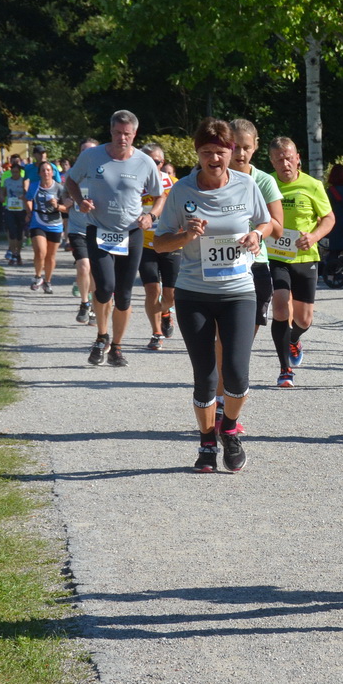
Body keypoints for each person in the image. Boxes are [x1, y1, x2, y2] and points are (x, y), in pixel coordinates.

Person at [150, 119, 272, 472]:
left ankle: (229, 429)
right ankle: (206, 441)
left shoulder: (247, 185)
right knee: (204, 374)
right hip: (194, 293)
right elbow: (160, 242)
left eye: (220, 152)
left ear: (231, 151)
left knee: (236, 373)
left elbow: (266, 223)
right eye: (206, 153)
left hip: (238, 292)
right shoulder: (183, 191)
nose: (214, 159)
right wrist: (185, 236)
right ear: (197, 153)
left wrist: (257, 236)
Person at [65, 112, 166, 367]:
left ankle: (117, 347)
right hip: (98, 230)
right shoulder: (91, 156)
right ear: (111, 132)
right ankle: (101, 336)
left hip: (131, 233)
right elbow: (71, 181)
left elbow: (160, 196)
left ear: (135, 134)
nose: (122, 138)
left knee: (123, 295)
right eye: (118, 133)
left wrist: (151, 216)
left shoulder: (145, 162)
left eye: (128, 134)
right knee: (105, 287)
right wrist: (80, 201)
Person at [265, 136, 334, 386]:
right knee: (281, 305)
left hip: (305, 257)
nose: (285, 163)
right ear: (272, 161)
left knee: (304, 319)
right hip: (275, 257)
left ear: (297, 158)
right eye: (279, 159)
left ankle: (293, 340)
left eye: (288, 157)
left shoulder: (313, 185)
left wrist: (314, 236)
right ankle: (285, 369)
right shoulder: (266, 184)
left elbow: (328, 218)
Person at [228, 118, 284, 334]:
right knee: (223, 335)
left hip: (255, 263)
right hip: (222, 264)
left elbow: (278, 228)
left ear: (256, 146)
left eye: (246, 147)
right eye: (235, 147)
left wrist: (258, 232)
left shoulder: (264, 181)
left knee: (242, 343)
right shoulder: (213, 178)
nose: (240, 153)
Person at [137, 142, 179, 350]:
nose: (151, 165)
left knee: (170, 295)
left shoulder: (174, 183)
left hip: (171, 244)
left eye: (155, 161)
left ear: (162, 163)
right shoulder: (134, 183)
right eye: (146, 161)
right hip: (145, 245)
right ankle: (156, 333)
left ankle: (165, 312)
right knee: (152, 290)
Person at [65, 137, 99, 323]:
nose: (87, 155)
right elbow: (63, 195)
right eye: (83, 151)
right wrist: (67, 201)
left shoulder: (103, 171)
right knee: (83, 266)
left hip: (98, 228)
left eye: (90, 151)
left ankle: (94, 305)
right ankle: (84, 303)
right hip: (78, 228)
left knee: (95, 270)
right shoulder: (73, 173)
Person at [27, 160, 67, 292]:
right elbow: (28, 199)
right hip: (37, 221)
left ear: (53, 172)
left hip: (55, 224)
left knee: (50, 256)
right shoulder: (34, 186)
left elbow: (67, 208)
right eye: (43, 170)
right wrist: (29, 212)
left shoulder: (59, 188)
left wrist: (57, 205)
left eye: (48, 170)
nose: (46, 172)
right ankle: (38, 276)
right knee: (40, 251)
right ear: (39, 173)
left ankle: (48, 281)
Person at [0, 158, 30, 264]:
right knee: (11, 232)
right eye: (13, 172)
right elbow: (2, 192)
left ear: (20, 172)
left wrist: (24, 197)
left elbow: (27, 193)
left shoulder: (23, 181)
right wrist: (2, 197)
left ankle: (18, 253)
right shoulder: (7, 181)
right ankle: (13, 253)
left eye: (16, 172)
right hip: (10, 209)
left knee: (19, 233)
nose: (15, 174)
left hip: (21, 209)